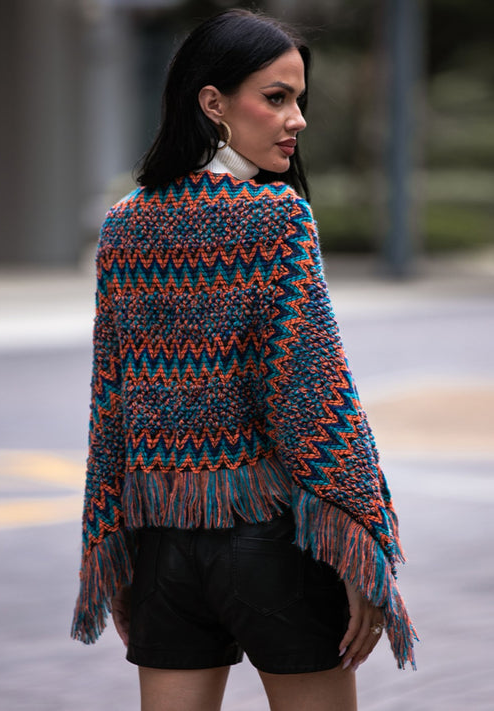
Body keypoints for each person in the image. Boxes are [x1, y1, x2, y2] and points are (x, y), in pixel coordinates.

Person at [72, 9, 416, 711]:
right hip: (271, 543)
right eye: (276, 97)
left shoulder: (124, 224)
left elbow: (111, 404)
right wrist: (363, 543)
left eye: (299, 99)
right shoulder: (275, 217)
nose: (297, 120)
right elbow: (312, 396)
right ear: (213, 103)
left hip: (163, 547)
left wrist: (115, 546)